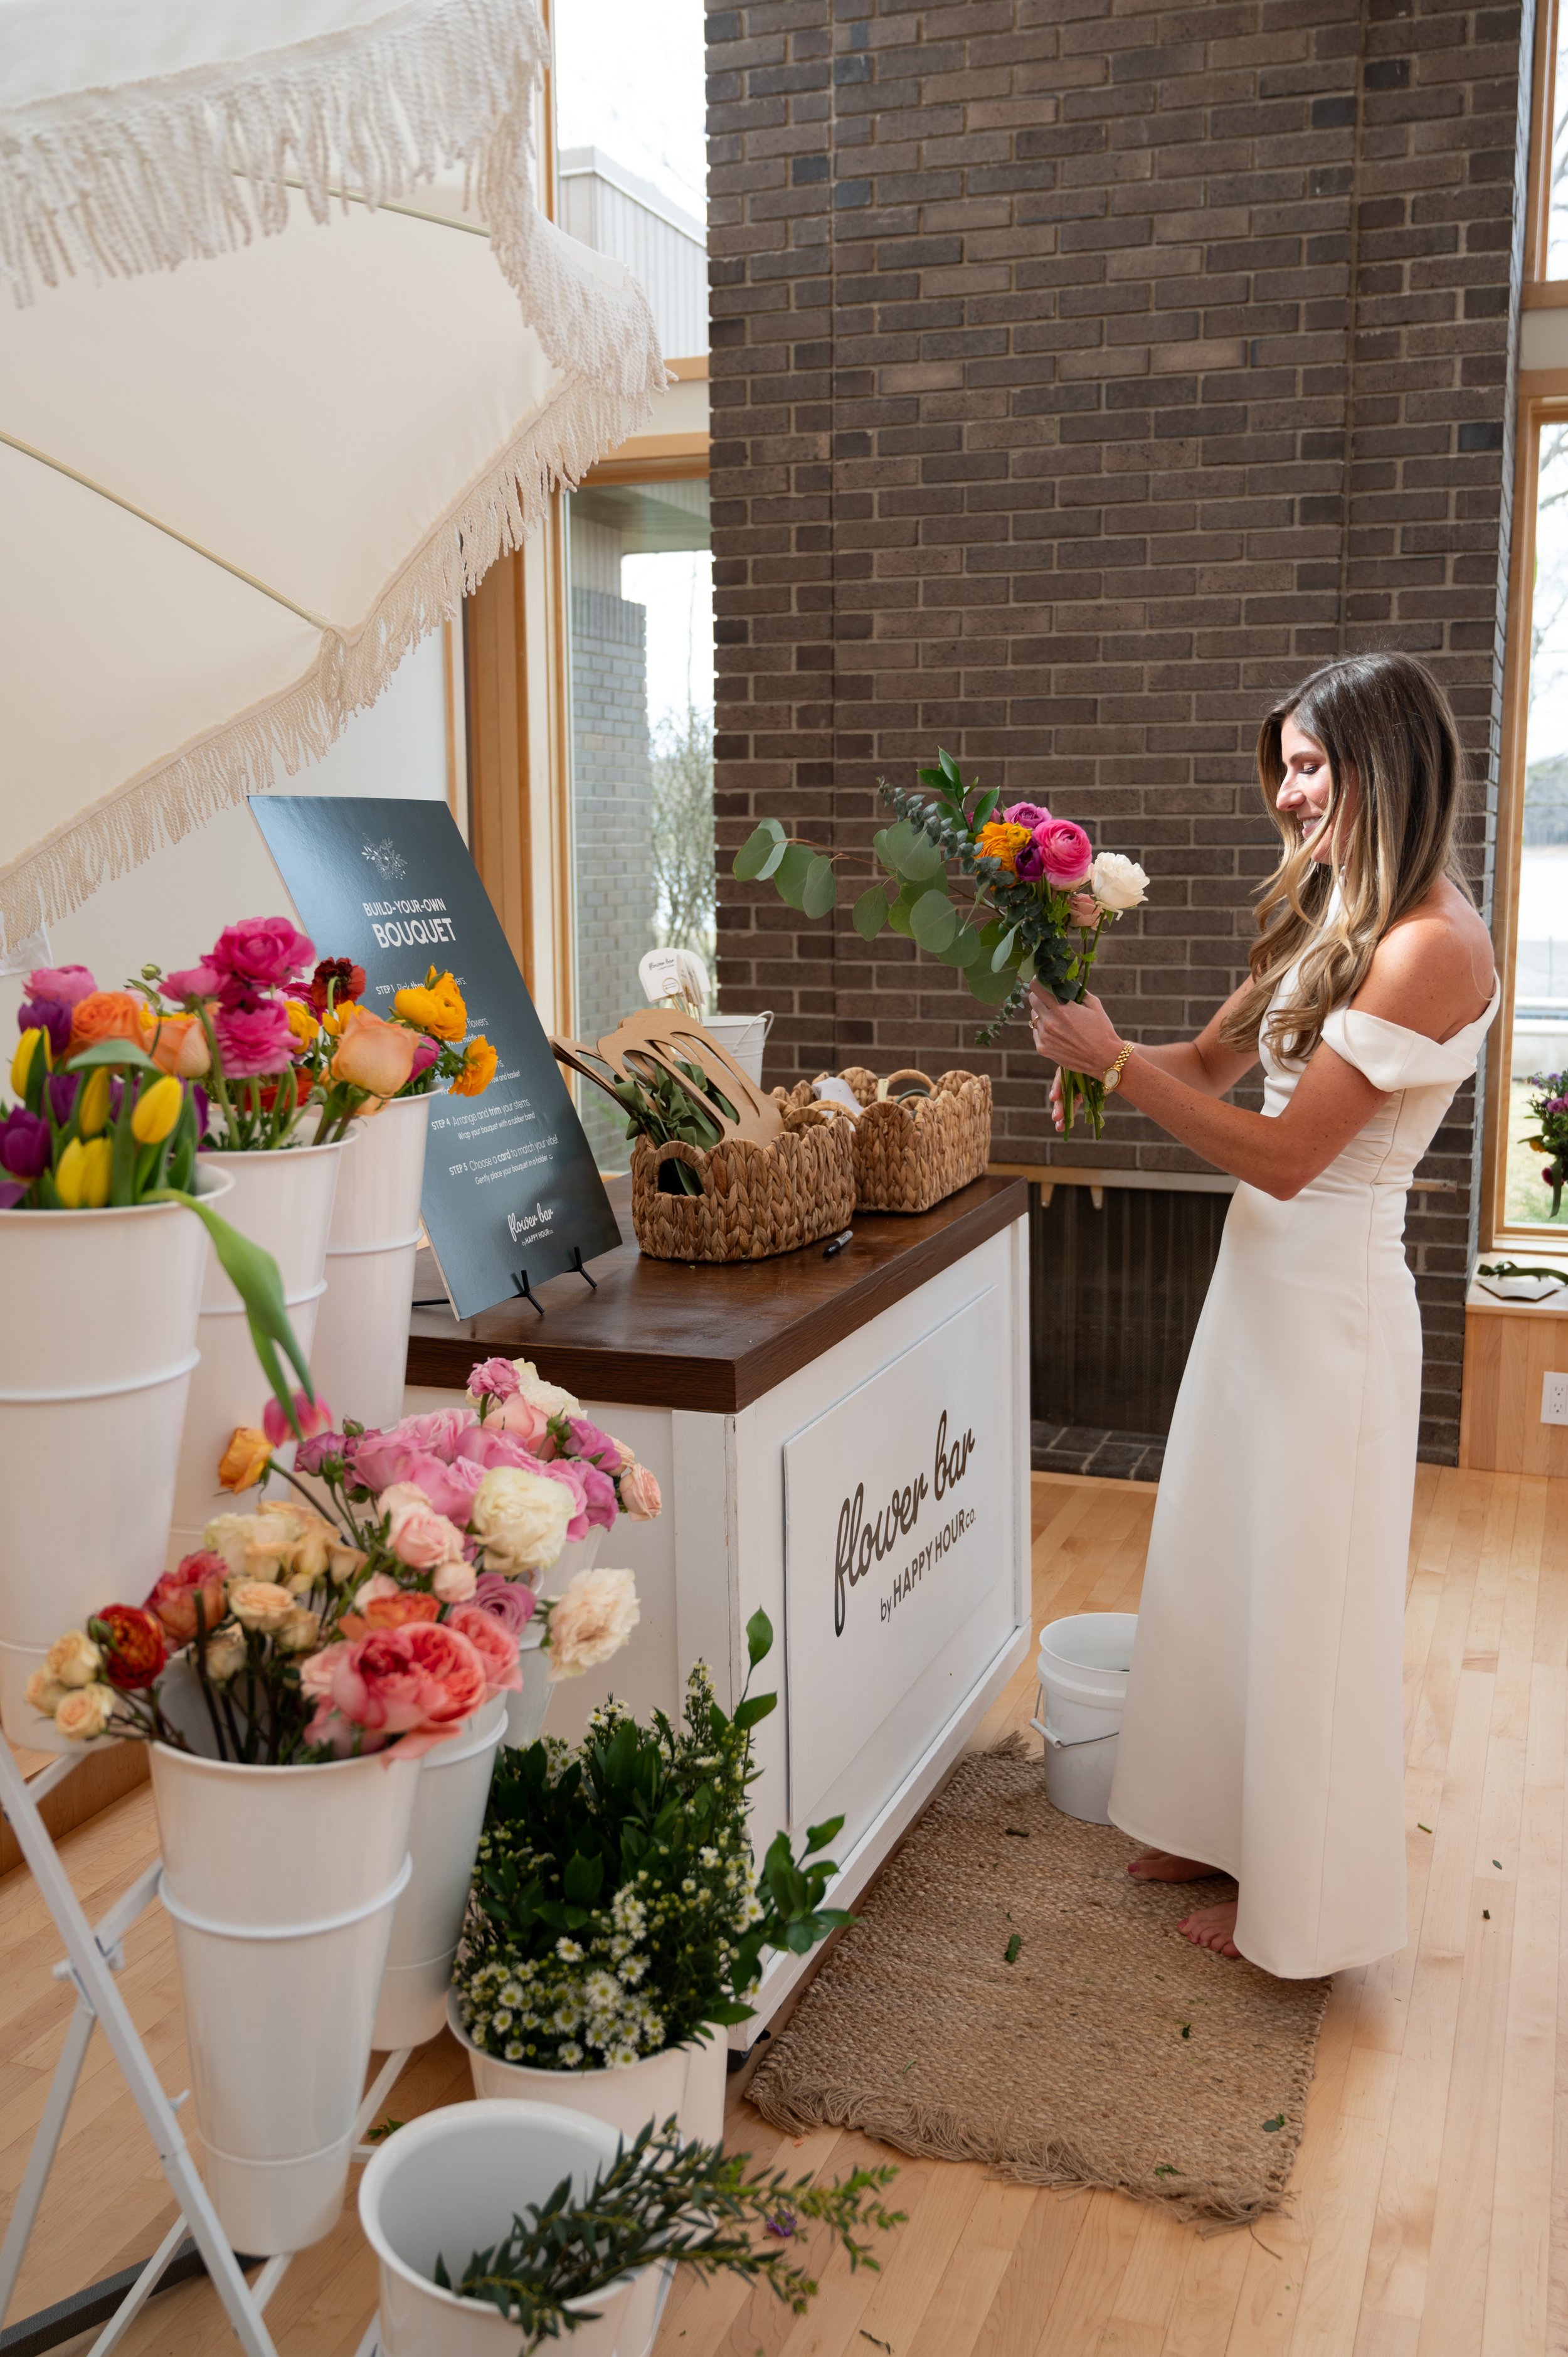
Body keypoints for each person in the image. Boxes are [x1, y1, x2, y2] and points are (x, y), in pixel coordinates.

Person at [1027, 652, 1498, 1976]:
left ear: (1384, 765)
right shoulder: (1333, 910)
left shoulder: (1429, 945)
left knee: (1303, 1600)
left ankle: (1291, 1896)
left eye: (1307, 767)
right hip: (1257, 1295)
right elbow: (1205, 1065)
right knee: (1217, 1562)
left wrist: (1114, 1062)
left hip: (1330, 1312)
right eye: (1280, 768)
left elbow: (1288, 1156)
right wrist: (1091, 1046)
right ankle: (1200, 1817)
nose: (1284, 796)